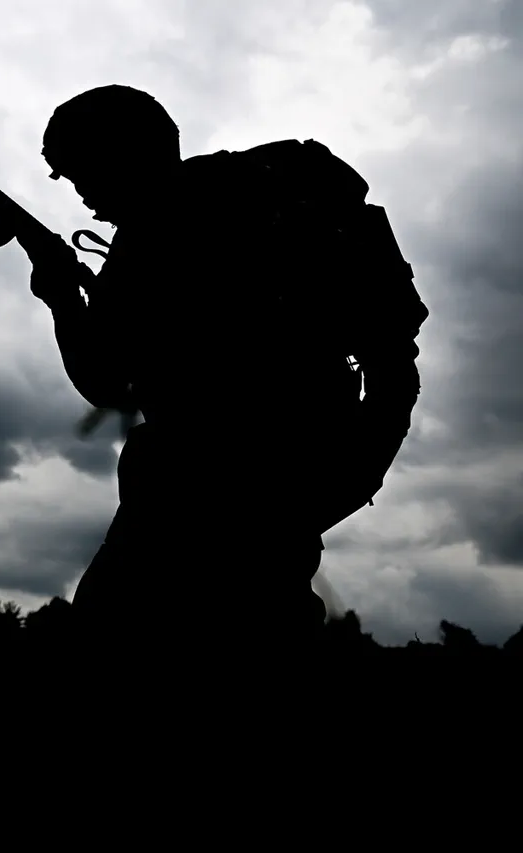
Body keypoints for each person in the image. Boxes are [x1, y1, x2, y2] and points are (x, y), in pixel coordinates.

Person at [22, 85, 429, 657]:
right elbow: (390, 366)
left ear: (122, 156)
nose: (84, 196)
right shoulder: (255, 196)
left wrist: (63, 297)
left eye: (82, 173)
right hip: (293, 478)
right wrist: (349, 467)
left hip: (196, 498)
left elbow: (106, 381)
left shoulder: (155, 234)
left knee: (114, 636)